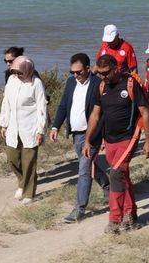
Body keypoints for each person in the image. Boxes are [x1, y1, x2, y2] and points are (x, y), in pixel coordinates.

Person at [82, 54, 149, 234]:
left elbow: (145, 113)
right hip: (110, 139)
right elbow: (95, 115)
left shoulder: (130, 84)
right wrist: (88, 140)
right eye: (101, 73)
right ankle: (131, 213)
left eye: (106, 73)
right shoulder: (102, 86)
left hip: (128, 138)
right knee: (123, 176)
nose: (103, 77)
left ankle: (115, 219)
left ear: (116, 68)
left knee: (114, 175)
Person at [49, 53, 109, 223]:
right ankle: (109, 186)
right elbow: (63, 106)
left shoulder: (98, 84)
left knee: (83, 170)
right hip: (76, 134)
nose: (75, 75)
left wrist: (103, 137)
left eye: (78, 72)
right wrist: (55, 126)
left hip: (92, 134)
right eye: (72, 72)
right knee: (89, 166)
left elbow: (104, 114)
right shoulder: (70, 83)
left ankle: (79, 208)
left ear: (88, 69)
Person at [0, 55, 48, 204]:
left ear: (27, 70)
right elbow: (5, 103)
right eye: (15, 71)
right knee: (12, 159)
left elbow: (42, 108)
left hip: (30, 128)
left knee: (29, 162)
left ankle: (28, 193)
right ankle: (22, 181)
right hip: (13, 128)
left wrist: (40, 130)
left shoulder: (36, 83)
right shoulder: (11, 81)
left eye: (20, 72)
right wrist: (4, 123)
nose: (17, 75)